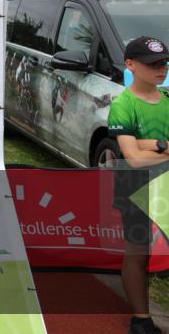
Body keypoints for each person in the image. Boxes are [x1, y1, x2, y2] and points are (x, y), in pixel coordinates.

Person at [108, 36, 169, 334]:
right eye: (152, 64)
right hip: (135, 185)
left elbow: (140, 149)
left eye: (164, 62)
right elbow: (132, 158)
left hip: (165, 185)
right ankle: (141, 318)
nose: (161, 68)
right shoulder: (123, 104)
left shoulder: (168, 100)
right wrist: (162, 148)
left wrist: (155, 145)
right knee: (138, 251)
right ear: (130, 65)